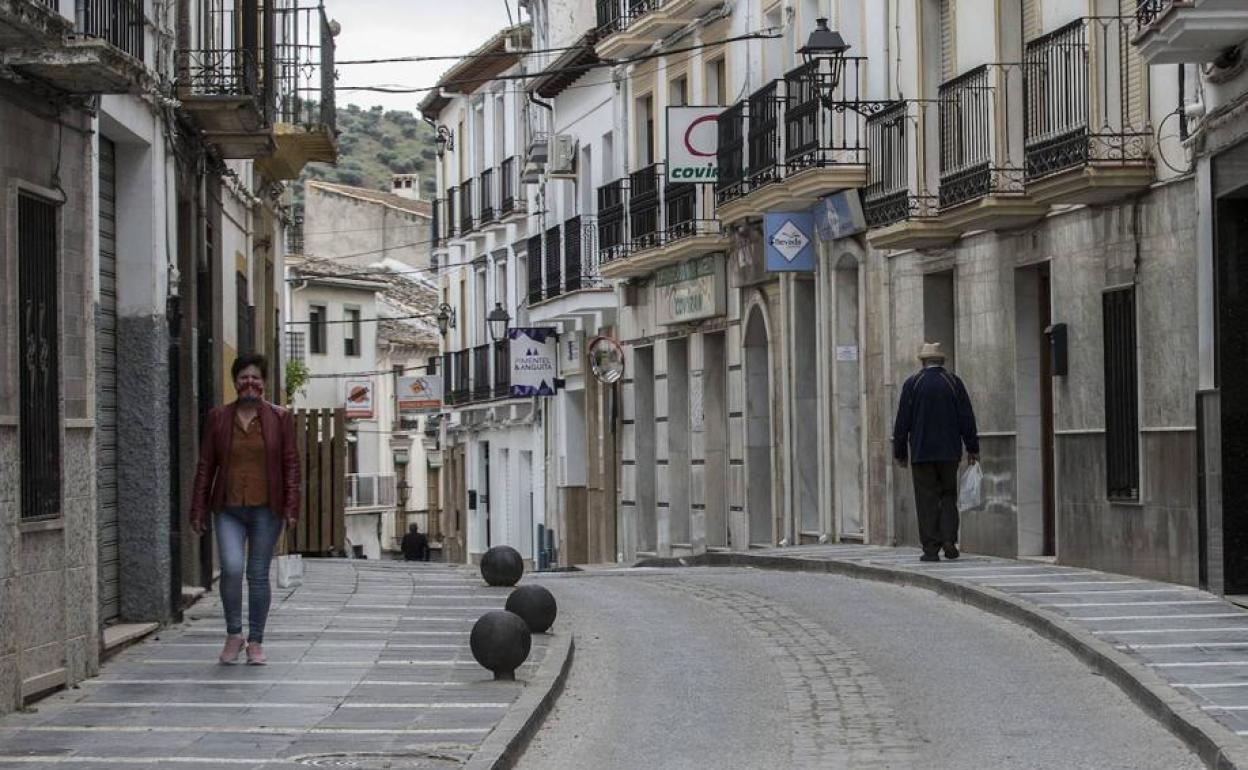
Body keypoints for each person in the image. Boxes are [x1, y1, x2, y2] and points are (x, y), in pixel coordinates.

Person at [191, 354, 300, 665]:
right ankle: (234, 633)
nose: (249, 383)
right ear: (235, 382)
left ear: (264, 383)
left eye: (255, 378)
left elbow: (291, 464)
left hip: (268, 509)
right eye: (243, 378)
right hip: (228, 509)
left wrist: (292, 506)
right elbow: (205, 466)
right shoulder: (218, 418)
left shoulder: (280, 419)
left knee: (257, 575)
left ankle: (256, 641)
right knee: (232, 568)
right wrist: (198, 509)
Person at [892, 342, 979, 562]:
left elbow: (903, 421)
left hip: (922, 452)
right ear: (941, 361)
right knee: (948, 495)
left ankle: (931, 548)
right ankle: (949, 539)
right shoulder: (953, 382)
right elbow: (966, 417)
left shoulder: (913, 383)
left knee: (926, 499)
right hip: (949, 451)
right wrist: (972, 447)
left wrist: (900, 452)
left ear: (923, 362)